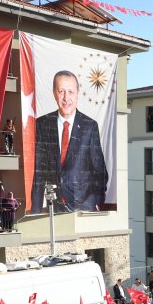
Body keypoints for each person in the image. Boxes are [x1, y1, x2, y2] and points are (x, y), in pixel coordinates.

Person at [31, 70, 108, 213]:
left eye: (71, 92)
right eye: (61, 91)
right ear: (54, 93)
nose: (66, 98)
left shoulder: (90, 126)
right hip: (53, 209)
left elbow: (100, 171)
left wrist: (97, 201)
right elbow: (38, 172)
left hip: (83, 208)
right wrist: (35, 211)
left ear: (77, 94)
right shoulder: (42, 124)